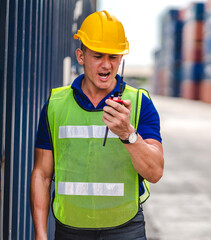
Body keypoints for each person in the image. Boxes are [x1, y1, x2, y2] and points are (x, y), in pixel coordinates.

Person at [30, 10, 164, 240]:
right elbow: (42, 175)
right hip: (70, 228)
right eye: (98, 56)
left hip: (125, 228)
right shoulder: (55, 105)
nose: (106, 65)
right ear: (81, 56)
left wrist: (128, 134)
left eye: (113, 57)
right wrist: (41, 236)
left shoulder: (140, 103)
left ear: (121, 59)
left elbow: (155, 172)